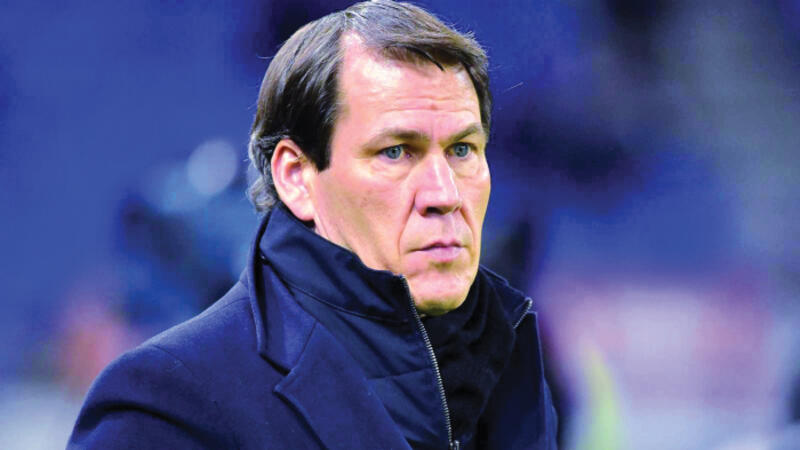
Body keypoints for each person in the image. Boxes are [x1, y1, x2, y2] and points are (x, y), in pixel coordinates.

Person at [68, 1, 558, 448]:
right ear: (296, 177)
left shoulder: (511, 369)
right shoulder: (166, 403)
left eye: (462, 150)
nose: (444, 194)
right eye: (395, 152)